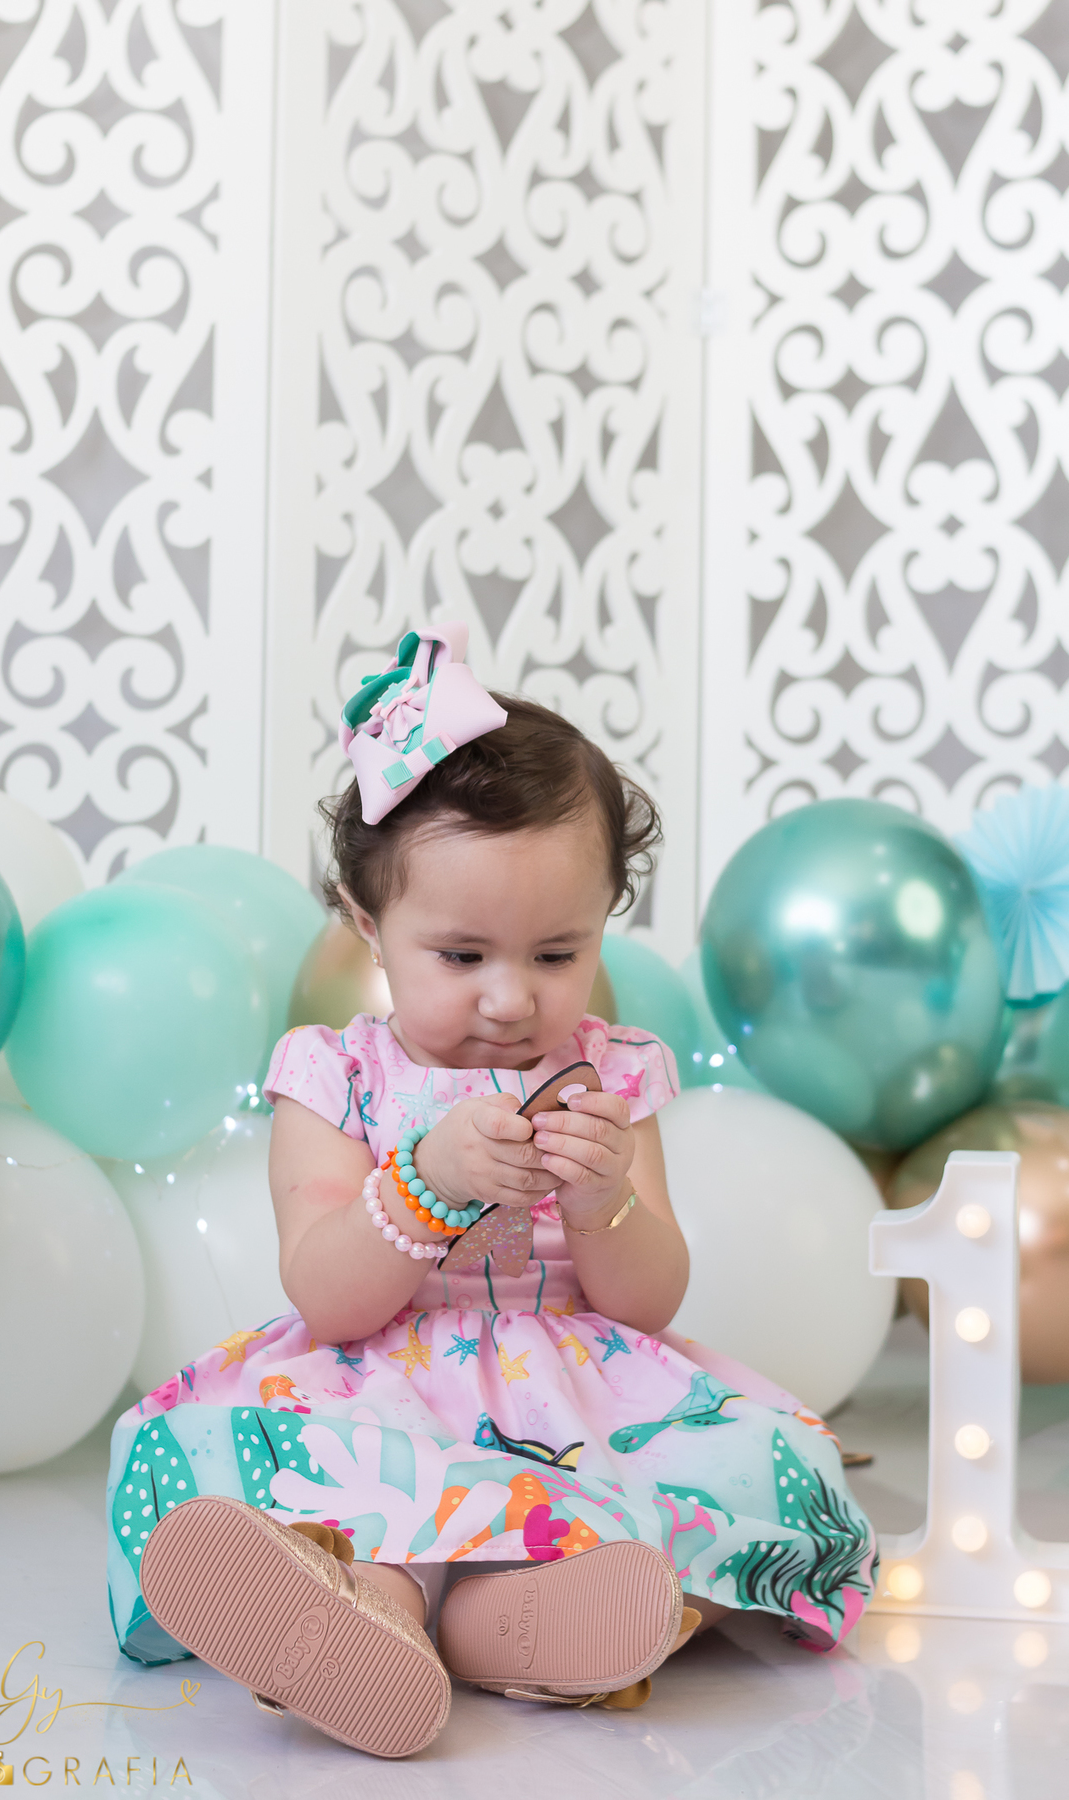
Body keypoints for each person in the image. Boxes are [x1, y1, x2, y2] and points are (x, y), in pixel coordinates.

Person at [106, 625, 877, 1760]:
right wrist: (421, 1184)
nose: (512, 998)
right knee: (366, 1483)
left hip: (575, 1385)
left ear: (603, 923)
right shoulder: (336, 1076)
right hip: (382, 1371)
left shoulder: (611, 1072)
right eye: (463, 957)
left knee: (773, 1469)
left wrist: (606, 1196)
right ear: (371, 927)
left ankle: (515, 1624)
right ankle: (365, 1609)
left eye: (557, 953)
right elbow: (329, 1296)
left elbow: (646, 1299)